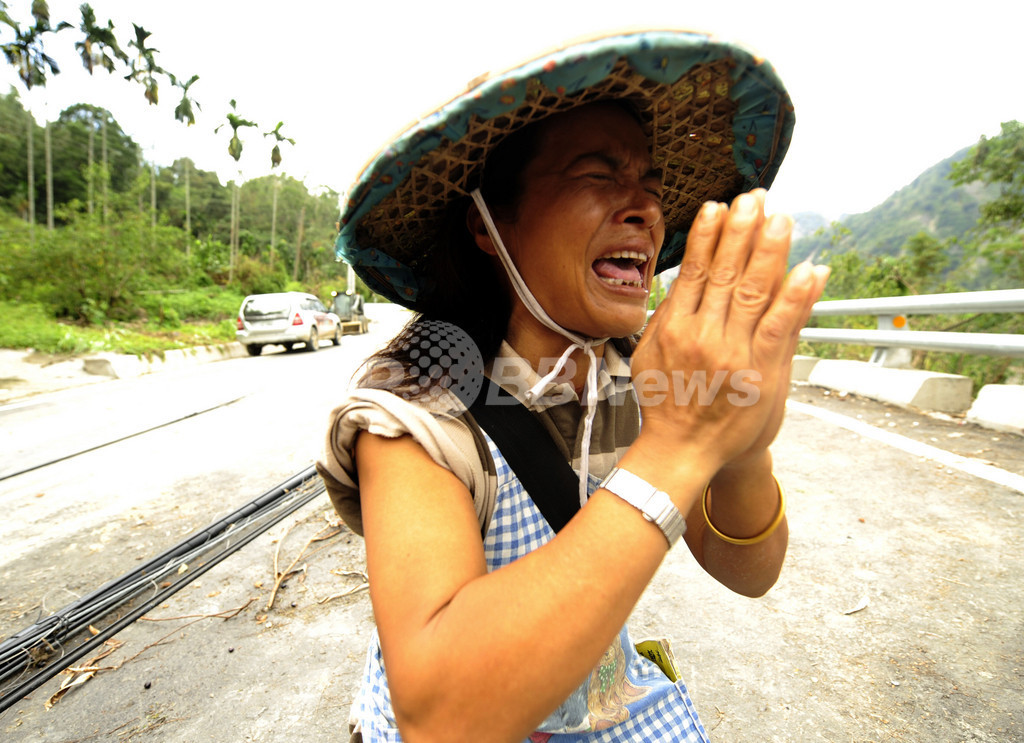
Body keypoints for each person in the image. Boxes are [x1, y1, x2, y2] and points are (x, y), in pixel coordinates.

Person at [318, 30, 830, 742]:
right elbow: (439, 714)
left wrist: (742, 447)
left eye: (651, 185)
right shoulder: (416, 407)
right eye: (598, 176)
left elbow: (749, 570)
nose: (645, 209)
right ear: (488, 224)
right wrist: (680, 444)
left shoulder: (641, 371)